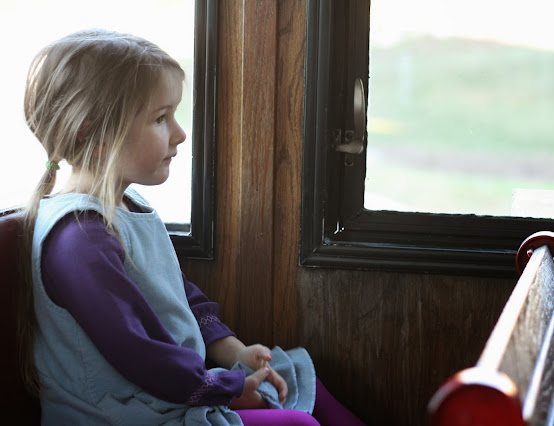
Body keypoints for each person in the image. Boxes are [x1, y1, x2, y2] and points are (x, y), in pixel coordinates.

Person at [18, 29, 364, 426]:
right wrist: (226, 388)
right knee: (299, 424)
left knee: (301, 378)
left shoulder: (129, 208)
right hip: (132, 415)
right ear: (91, 133)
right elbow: (139, 353)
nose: (180, 134)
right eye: (160, 118)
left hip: (173, 394)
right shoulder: (78, 239)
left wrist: (234, 352)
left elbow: (180, 299)